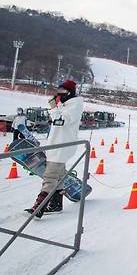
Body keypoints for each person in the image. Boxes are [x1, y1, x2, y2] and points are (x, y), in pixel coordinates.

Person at [25, 80, 83, 218]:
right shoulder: (65, 104)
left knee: (50, 176)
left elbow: (60, 121)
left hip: (62, 146)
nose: (60, 94)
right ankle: (56, 205)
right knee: (59, 177)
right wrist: (56, 106)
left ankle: (38, 207)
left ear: (70, 92)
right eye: (59, 91)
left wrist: (53, 108)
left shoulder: (74, 106)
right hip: (57, 145)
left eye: (63, 92)